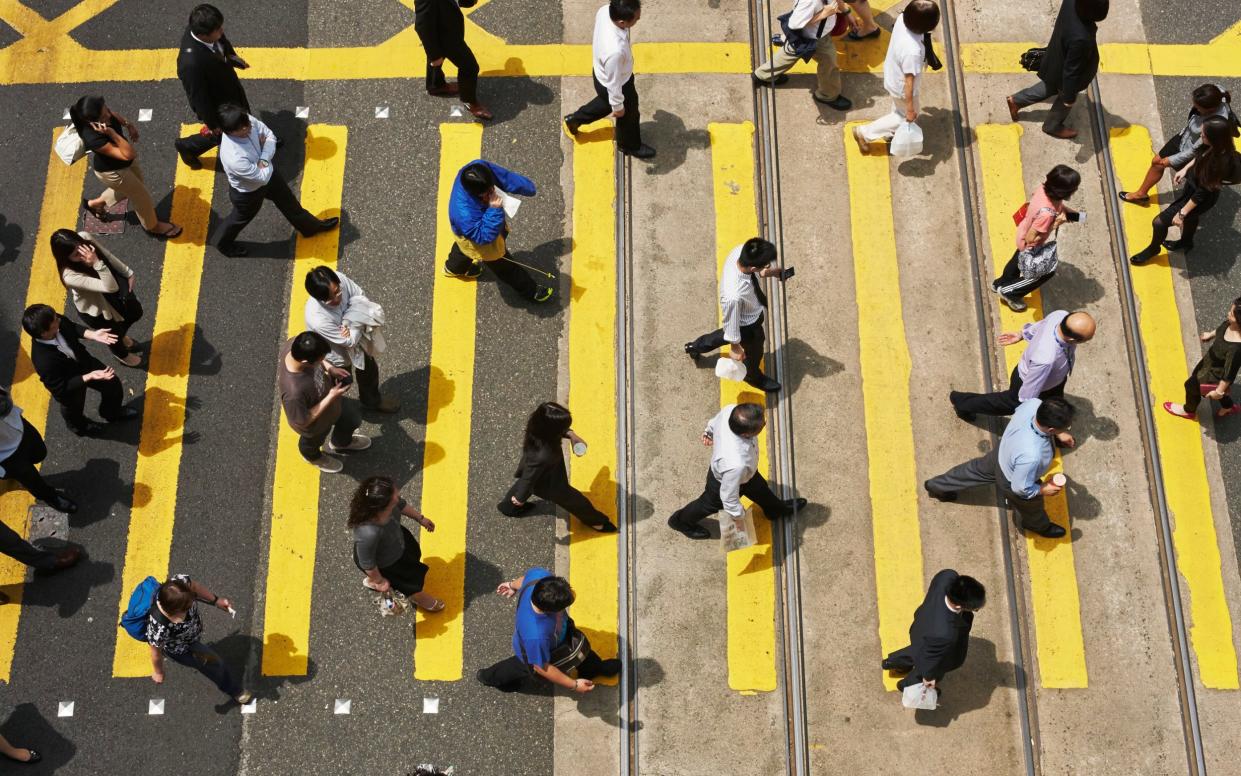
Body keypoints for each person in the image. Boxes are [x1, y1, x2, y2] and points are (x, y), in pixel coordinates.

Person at [924, 397, 1074, 539]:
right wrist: (1042, 489)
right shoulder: (1032, 456)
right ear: (1051, 429)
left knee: (971, 471)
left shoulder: (1033, 404)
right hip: (1010, 479)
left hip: (1002, 453)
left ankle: (937, 485)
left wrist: (1059, 433)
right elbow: (1020, 488)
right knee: (1032, 507)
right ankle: (1038, 526)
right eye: (1065, 427)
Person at [214, 105, 339, 257]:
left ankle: (310, 228)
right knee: (240, 218)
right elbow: (261, 177)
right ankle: (222, 243)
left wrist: (263, 159)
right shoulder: (233, 157)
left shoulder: (245, 120)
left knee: (289, 203)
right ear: (229, 132)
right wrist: (265, 150)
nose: (248, 128)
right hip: (248, 193)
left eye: (247, 123)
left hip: (269, 174)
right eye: (242, 129)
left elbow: (270, 136)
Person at [667, 403, 806, 540]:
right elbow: (728, 497)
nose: (764, 423)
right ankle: (680, 521)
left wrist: (708, 431)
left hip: (747, 474)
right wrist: (739, 517)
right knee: (708, 504)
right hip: (724, 481)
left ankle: (775, 510)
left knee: (760, 488)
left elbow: (715, 422)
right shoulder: (737, 463)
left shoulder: (731, 410)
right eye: (761, 425)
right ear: (746, 434)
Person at [477, 568, 620, 692]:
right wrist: (574, 685)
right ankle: (489, 677)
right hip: (535, 651)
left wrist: (512, 585)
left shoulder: (541, 578)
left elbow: (527, 578)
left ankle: (592, 668)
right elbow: (541, 667)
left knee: (582, 648)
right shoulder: (536, 636)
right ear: (552, 611)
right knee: (518, 667)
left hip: (562, 634)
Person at [1129, 116, 1241, 264]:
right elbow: (1201, 154)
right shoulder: (1217, 145)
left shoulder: (1218, 164)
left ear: (1214, 138)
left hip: (1201, 197)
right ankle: (1186, 242)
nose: (1200, 135)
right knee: (1192, 218)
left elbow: (1201, 194)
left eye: (1204, 134)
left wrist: (1181, 214)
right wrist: (1185, 168)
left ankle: (1153, 249)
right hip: (1196, 185)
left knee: (1159, 223)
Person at [69, 96, 181, 239]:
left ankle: (96, 204)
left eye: (106, 110)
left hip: (124, 165)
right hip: (114, 173)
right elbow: (129, 154)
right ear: (94, 122)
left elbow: (114, 115)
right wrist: (112, 133)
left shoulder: (103, 114)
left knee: (136, 185)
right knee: (141, 196)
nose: (108, 115)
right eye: (104, 116)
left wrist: (128, 124)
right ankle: (153, 226)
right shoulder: (93, 138)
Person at [442, 160, 554, 303]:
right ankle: (531, 291)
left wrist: (527, 187)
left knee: (464, 248)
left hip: (466, 235)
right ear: (475, 194)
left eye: (492, 188)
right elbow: (483, 236)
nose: (493, 192)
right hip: (480, 239)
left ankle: (453, 268)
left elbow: (504, 177)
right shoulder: (464, 215)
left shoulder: (478, 168)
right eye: (487, 193)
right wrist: (494, 209)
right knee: (504, 266)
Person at [950, 311, 1095, 420]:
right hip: (1030, 381)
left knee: (1055, 402)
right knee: (1007, 404)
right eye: (1086, 339)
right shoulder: (1046, 359)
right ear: (1071, 338)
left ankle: (1055, 423)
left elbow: (1043, 324)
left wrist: (1022, 334)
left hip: (1053, 380)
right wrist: (1026, 413)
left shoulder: (1061, 315)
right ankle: (962, 402)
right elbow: (1028, 394)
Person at [683, 237, 785, 393]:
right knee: (755, 350)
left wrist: (770, 272)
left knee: (720, 335)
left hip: (744, 312)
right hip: (747, 325)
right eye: (765, 264)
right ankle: (752, 376)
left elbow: (755, 273)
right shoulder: (733, 295)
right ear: (752, 268)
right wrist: (735, 347)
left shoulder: (741, 251)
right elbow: (731, 323)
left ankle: (695, 346)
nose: (768, 265)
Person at [497, 402, 617, 532]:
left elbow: (529, 474)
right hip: (550, 484)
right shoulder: (542, 456)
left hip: (538, 469)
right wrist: (520, 498)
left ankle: (509, 508)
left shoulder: (536, 427)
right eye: (564, 427)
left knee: (523, 487)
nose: (567, 428)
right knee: (576, 501)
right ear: (553, 430)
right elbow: (529, 479)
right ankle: (596, 521)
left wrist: (572, 435)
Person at [21, 304, 138, 436]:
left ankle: (112, 413)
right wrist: (88, 377)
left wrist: (92, 334)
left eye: (56, 318)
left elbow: (71, 326)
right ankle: (81, 427)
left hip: (84, 362)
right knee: (74, 409)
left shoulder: (54, 320)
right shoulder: (43, 361)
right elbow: (60, 387)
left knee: (112, 383)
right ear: (44, 333)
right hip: (70, 383)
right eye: (55, 322)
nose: (59, 320)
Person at [563, 0, 656, 159]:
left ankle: (575, 119)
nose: (637, 20)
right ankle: (629, 145)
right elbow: (614, 83)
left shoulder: (605, 10)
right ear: (621, 22)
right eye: (635, 19)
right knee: (629, 114)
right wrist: (618, 105)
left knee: (605, 103)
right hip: (616, 81)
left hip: (600, 73)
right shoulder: (615, 51)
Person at [1006, 0, 1108, 139]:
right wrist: (1069, 98)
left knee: (1049, 86)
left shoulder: (1070, 3)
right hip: (1067, 72)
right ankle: (1052, 126)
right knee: (1061, 97)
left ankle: (1016, 100)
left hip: (1056, 56)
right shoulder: (1082, 39)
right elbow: (1071, 73)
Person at [1120, 84, 1237, 205]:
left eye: (1198, 107)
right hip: (1185, 136)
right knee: (1156, 162)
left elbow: (1194, 149)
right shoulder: (1217, 92)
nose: (1194, 107)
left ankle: (1191, 206)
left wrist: (1171, 160)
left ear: (1210, 110)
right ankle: (1141, 194)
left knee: (1196, 183)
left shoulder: (1212, 125)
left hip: (1195, 150)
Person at [304, 266, 399, 414]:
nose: (337, 299)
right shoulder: (318, 319)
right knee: (340, 385)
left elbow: (360, 296)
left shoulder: (339, 279)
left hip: (360, 344)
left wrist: (348, 323)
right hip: (337, 357)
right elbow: (348, 342)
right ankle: (335, 412)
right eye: (329, 299)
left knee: (369, 372)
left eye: (337, 292)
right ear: (318, 298)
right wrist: (356, 317)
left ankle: (371, 402)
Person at [146, 574, 252, 705]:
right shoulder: (158, 627)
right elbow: (155, 652)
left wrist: (216, 601)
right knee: (215, 664)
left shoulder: (181, 583)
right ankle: (235, 690)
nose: (190, 608)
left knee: (210, 661)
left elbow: (195, 586)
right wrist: (158, 672)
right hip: (183, 648)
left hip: (192, 634)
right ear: (171, 611)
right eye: (185, 609)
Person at [852, 0, 941, 152]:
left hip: (892, 73)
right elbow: (909, 82)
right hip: (902, 87)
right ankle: (864, 133)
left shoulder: (902, 19)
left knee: (898, 110)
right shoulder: (912, 52)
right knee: (902, 117)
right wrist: (911, 109)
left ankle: (890, 132)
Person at [991, 165, 1081, 312]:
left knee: (1017, 260)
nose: (1075, 190)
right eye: (1074, 188)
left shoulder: (1043, 189)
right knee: (1045, 272)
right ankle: (1010, 292)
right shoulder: (1047, 215)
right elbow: (1031, 238)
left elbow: (1054, 206)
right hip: (1030, 244)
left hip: (1022, 231)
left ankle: (1000, 283)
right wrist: (1056, 223)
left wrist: (1075, 215)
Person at [278, 331, 369, 473]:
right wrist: (331, 396)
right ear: (305, 362)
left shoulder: (295, 344)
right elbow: (304, 420)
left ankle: (341, 443)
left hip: (332, 404)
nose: (322, 361)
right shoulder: (293, 393)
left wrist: (330, 368)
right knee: (312, 443)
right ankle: (313, 457)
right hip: (316, 424)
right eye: (320, 360)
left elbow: (320, 361)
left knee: (352, 418)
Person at [50, 229, 143, 367]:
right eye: (76, 254)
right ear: (66, 258)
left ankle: (122, 337)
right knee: (113, 336)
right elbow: (110, 287)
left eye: (82, 247)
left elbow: (108, 256)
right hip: (98, 310)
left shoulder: (85, 237)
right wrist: (95, 262)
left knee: (135, 312)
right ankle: (122, 355)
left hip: (112, 295)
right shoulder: (70, 276)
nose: (84, 255)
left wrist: (128, 272)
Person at [348, 476, 443, 611]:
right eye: (395, 497)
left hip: (398, 542)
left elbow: (401, 504)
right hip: (388, 562)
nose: (398, 497)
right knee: (409, 581)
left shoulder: (385, 505)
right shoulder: (368, 533)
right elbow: (367, 562)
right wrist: (380, 582)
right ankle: (418, 597)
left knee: (413, 559)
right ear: (382, 507)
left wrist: (420, 518)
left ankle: (373, 580)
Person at [174, 3, 251, 169]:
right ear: (202, 35)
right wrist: (213, 124)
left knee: (243, 117)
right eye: (218, 30)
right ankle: (187, 146)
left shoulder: (204, 29)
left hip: (229, 87)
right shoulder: (190, 64)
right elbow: (198, 98)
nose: (222, 31)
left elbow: (221, 43)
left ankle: (255, 137)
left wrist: (232, 58)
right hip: (219, 104)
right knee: (225, 133)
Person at [882, 569, 984, 692]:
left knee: (916, 649)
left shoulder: (947, 575)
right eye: (975, 608)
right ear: (958, 606)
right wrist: (929, 677)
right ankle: (906, 685)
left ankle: (894, 662)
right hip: (933, 639)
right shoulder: (946, 634)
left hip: (921, 626)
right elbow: (930, 660)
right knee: (928, 662)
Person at [752, 0, 853, 113]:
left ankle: (763, 75)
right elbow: (794, 24)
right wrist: (823, 14)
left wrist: (847, 13)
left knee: (789, 53)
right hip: (812, 38)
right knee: (829, 61)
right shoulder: (810, 1)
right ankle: (827, 95)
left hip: (816, 34)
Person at [0, 386, 78, 514]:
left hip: (18, 425)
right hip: (6, 455)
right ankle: (51, 497)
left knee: (40, 453)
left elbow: (5, 403)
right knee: (32, 480)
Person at [1164, 297, 1241, 420]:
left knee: (1190, 386)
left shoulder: (1235, 349)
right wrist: (1210, 334)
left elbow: (1229, 374)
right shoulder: (1230, 324)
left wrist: (1219, 391)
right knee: (1207, 384)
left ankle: (1188, 411)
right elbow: (1221, 329)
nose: (1228, 314)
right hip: (1209, 361)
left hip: (1214, 374)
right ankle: (1229, 406)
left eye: (1231, 313)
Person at [413, 0, 492, 120]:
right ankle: (470, 102)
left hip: (446, 27)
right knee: (470, 67)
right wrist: (434, 55)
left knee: (436, 59)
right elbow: (422, 25)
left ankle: (435, 85)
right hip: (447, 38)